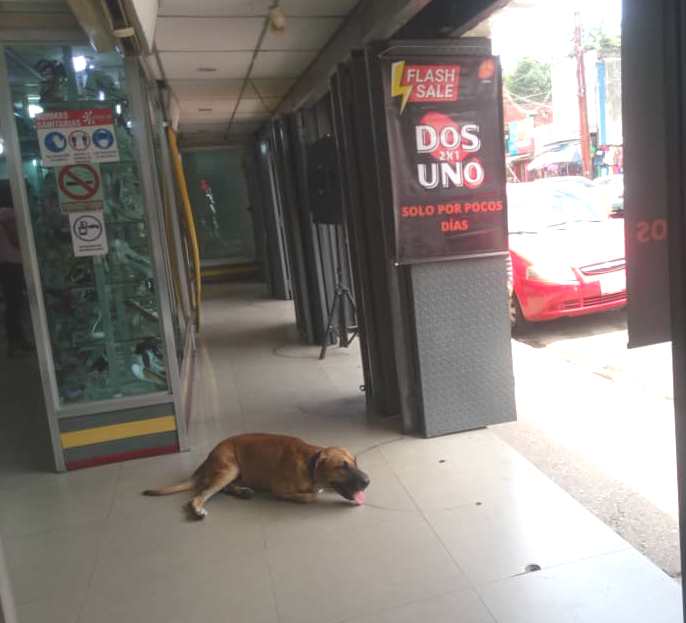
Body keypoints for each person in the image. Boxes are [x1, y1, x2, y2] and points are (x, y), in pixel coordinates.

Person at [0, 196, 32, 357]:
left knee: (12, 303)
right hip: (16, 263)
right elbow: (15, 239)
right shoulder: (9, 214)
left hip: (6, 264)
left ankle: (15, 340)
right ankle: (18, 339)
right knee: (18, 303)